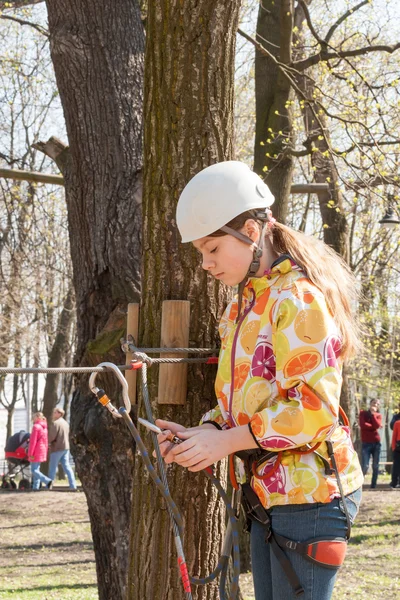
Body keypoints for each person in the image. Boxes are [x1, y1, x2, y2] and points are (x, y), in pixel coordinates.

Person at [156, 161, 363, 600]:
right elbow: (243, 403)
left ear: (251, 230)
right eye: (200, 253)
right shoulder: (245, 307)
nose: (206, 264)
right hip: (268, 497)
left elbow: (314, 412)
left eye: (213, 248)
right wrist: (205, 434)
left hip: (311, 495)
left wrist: (227, 443)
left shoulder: (298, 299)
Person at [48, 407, 77, 491]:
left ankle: (49, 486)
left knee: (52, 467)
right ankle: (73, 485)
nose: (53, 414)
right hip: (66, 447)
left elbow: (51, 436)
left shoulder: (56, 423)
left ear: (59, 414)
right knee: (67, 467)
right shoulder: (65, 423)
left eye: (55, 412)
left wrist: (47, 441)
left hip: (57, 447)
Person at [359, 398, 382, 489]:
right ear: (370, 403)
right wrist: (373, 427)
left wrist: (373, 416)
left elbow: (377, 425)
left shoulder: (378, 415)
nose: (375, 405)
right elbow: (363, 425)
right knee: (365, 465)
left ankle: (373, 485)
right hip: (366, 443)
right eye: (374, 403)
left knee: (375, 465)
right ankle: (360, 484)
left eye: (377, 404)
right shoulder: (363, 413)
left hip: (376, 443)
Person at [28, 412, 53, 491]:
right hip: (42, 450)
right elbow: (45, 441)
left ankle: (47, 481)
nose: (33, 418)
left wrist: (30, 453)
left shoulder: (36, 427)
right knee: (37, 470)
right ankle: (35, 487)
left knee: (34, 470)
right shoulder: (44, 427)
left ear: (38, 417)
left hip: (36, 450)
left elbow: (33, 442)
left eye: (34, 417)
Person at [390, 416, 400, 489]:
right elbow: (394, 436)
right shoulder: (397, 423)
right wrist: (393, 447)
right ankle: (394, 482)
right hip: (398, 447)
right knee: (396, 466)